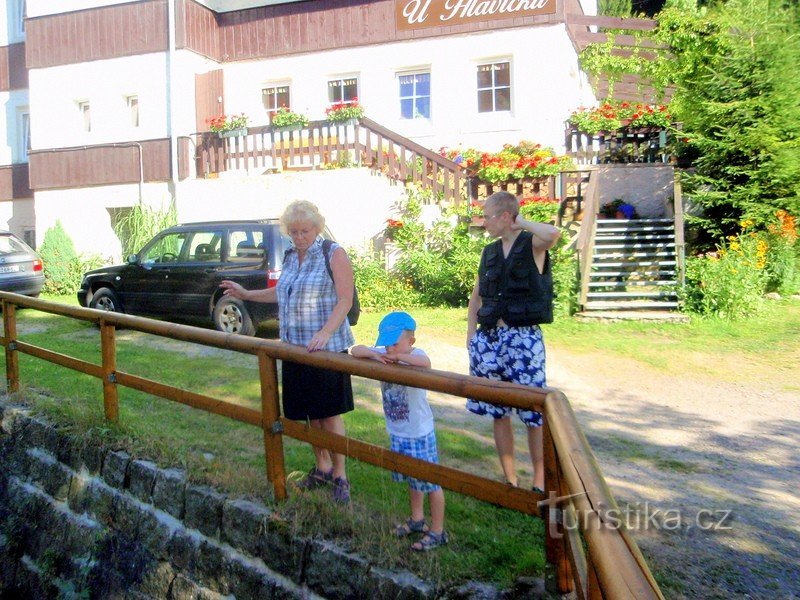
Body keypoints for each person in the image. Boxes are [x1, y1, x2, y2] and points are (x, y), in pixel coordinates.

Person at [220, 200, 355, 504]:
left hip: (327, 348)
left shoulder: (333, 254)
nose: (299, 237)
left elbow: (345, 299)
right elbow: (282, 291)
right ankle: (321, 467)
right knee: (309, 413)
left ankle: (340, 475)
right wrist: (246, 294)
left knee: (330, 413)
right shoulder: (293, 256)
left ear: (316, 228)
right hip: (295, 348)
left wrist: (325, 333)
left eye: (305, 231)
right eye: (293, 232)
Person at [466, 191, 561, 493]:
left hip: (524, 340)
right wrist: (471, 336)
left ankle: (539, 480)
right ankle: (509, 479)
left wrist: (522, 222)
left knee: (533, 413)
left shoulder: (532, 245)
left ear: (506, 217)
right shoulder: (489, 252)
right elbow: (476, 296)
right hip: (490, 338)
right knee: (498, 411)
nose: (484, 223)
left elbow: (553, 233)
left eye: (488, 216)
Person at [351, 311, 448, 551]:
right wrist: (376, 354)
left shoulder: (415, 355)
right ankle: (417, 520)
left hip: (419, 432)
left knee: (431, 481)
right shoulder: (385, 353)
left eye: (394, 343)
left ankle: (438, 531)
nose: (389, 348)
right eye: (386, 343)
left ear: (410, 342)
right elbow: (355, 350)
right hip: (399, 430)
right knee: (411, 477)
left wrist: (400, 359)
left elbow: (425, 363)